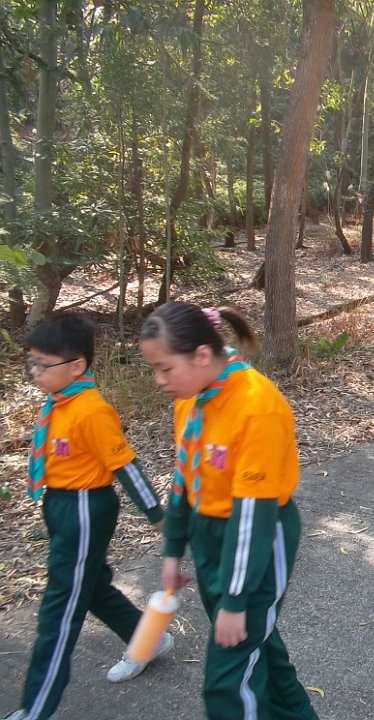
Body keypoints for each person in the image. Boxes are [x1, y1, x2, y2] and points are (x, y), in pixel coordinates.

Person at [138, 303, 319, 720]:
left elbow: (252, 515)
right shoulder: (191, 399)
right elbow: (184, 480)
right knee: (259, 646)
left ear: (202, 355)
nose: (159, 380)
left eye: (165, 369)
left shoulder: (258, 406)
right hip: (210, 536)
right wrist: (173, 551)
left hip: (258, 541)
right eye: (154, 370)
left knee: (227, 681)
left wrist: (236, 600)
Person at [9, 314, 167, 720]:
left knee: (60, 608)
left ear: (77, 366)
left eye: (43, 364)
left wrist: (157, 515)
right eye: (31, 362)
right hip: (60, 504)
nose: (34, 371)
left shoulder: (92, 410)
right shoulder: (58, 402)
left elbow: (125, 465)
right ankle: (147, 640)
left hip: (84, 507)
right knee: (90, 585)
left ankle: (37, 707)